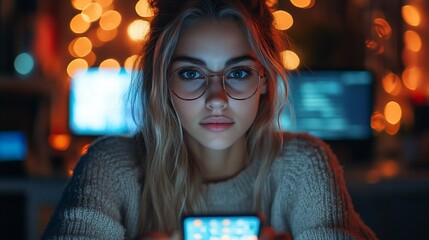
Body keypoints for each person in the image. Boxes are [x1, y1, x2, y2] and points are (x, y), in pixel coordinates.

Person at [42, 0, 378, 239]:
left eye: (239, 72)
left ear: (264, 81)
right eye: (190, 73)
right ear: (163, 83)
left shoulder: (304, 164)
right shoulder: (112, 166)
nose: (216, 99)